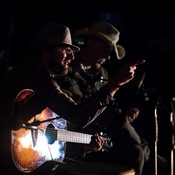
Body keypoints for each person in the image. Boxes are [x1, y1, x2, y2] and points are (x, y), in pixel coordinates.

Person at [0, 22, 144, 175]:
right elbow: (80, 116)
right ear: (45, 51)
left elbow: (42, 138)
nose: (72, 56)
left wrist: (81, 148)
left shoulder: (33, 72)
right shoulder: (36, 75)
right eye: (66, 50)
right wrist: (114, 84)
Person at [55, 21, 149, 175]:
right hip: (76, 136)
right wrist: (115, 85)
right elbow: (77, 112)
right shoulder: (66, 69)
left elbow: (108, 106)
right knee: (138, 151)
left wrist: (125, 114)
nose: (108, 56)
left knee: (140, 148)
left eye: (110, 51)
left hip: (100, 136)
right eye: (105, 48)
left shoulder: (102, 74)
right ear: (91, 42)